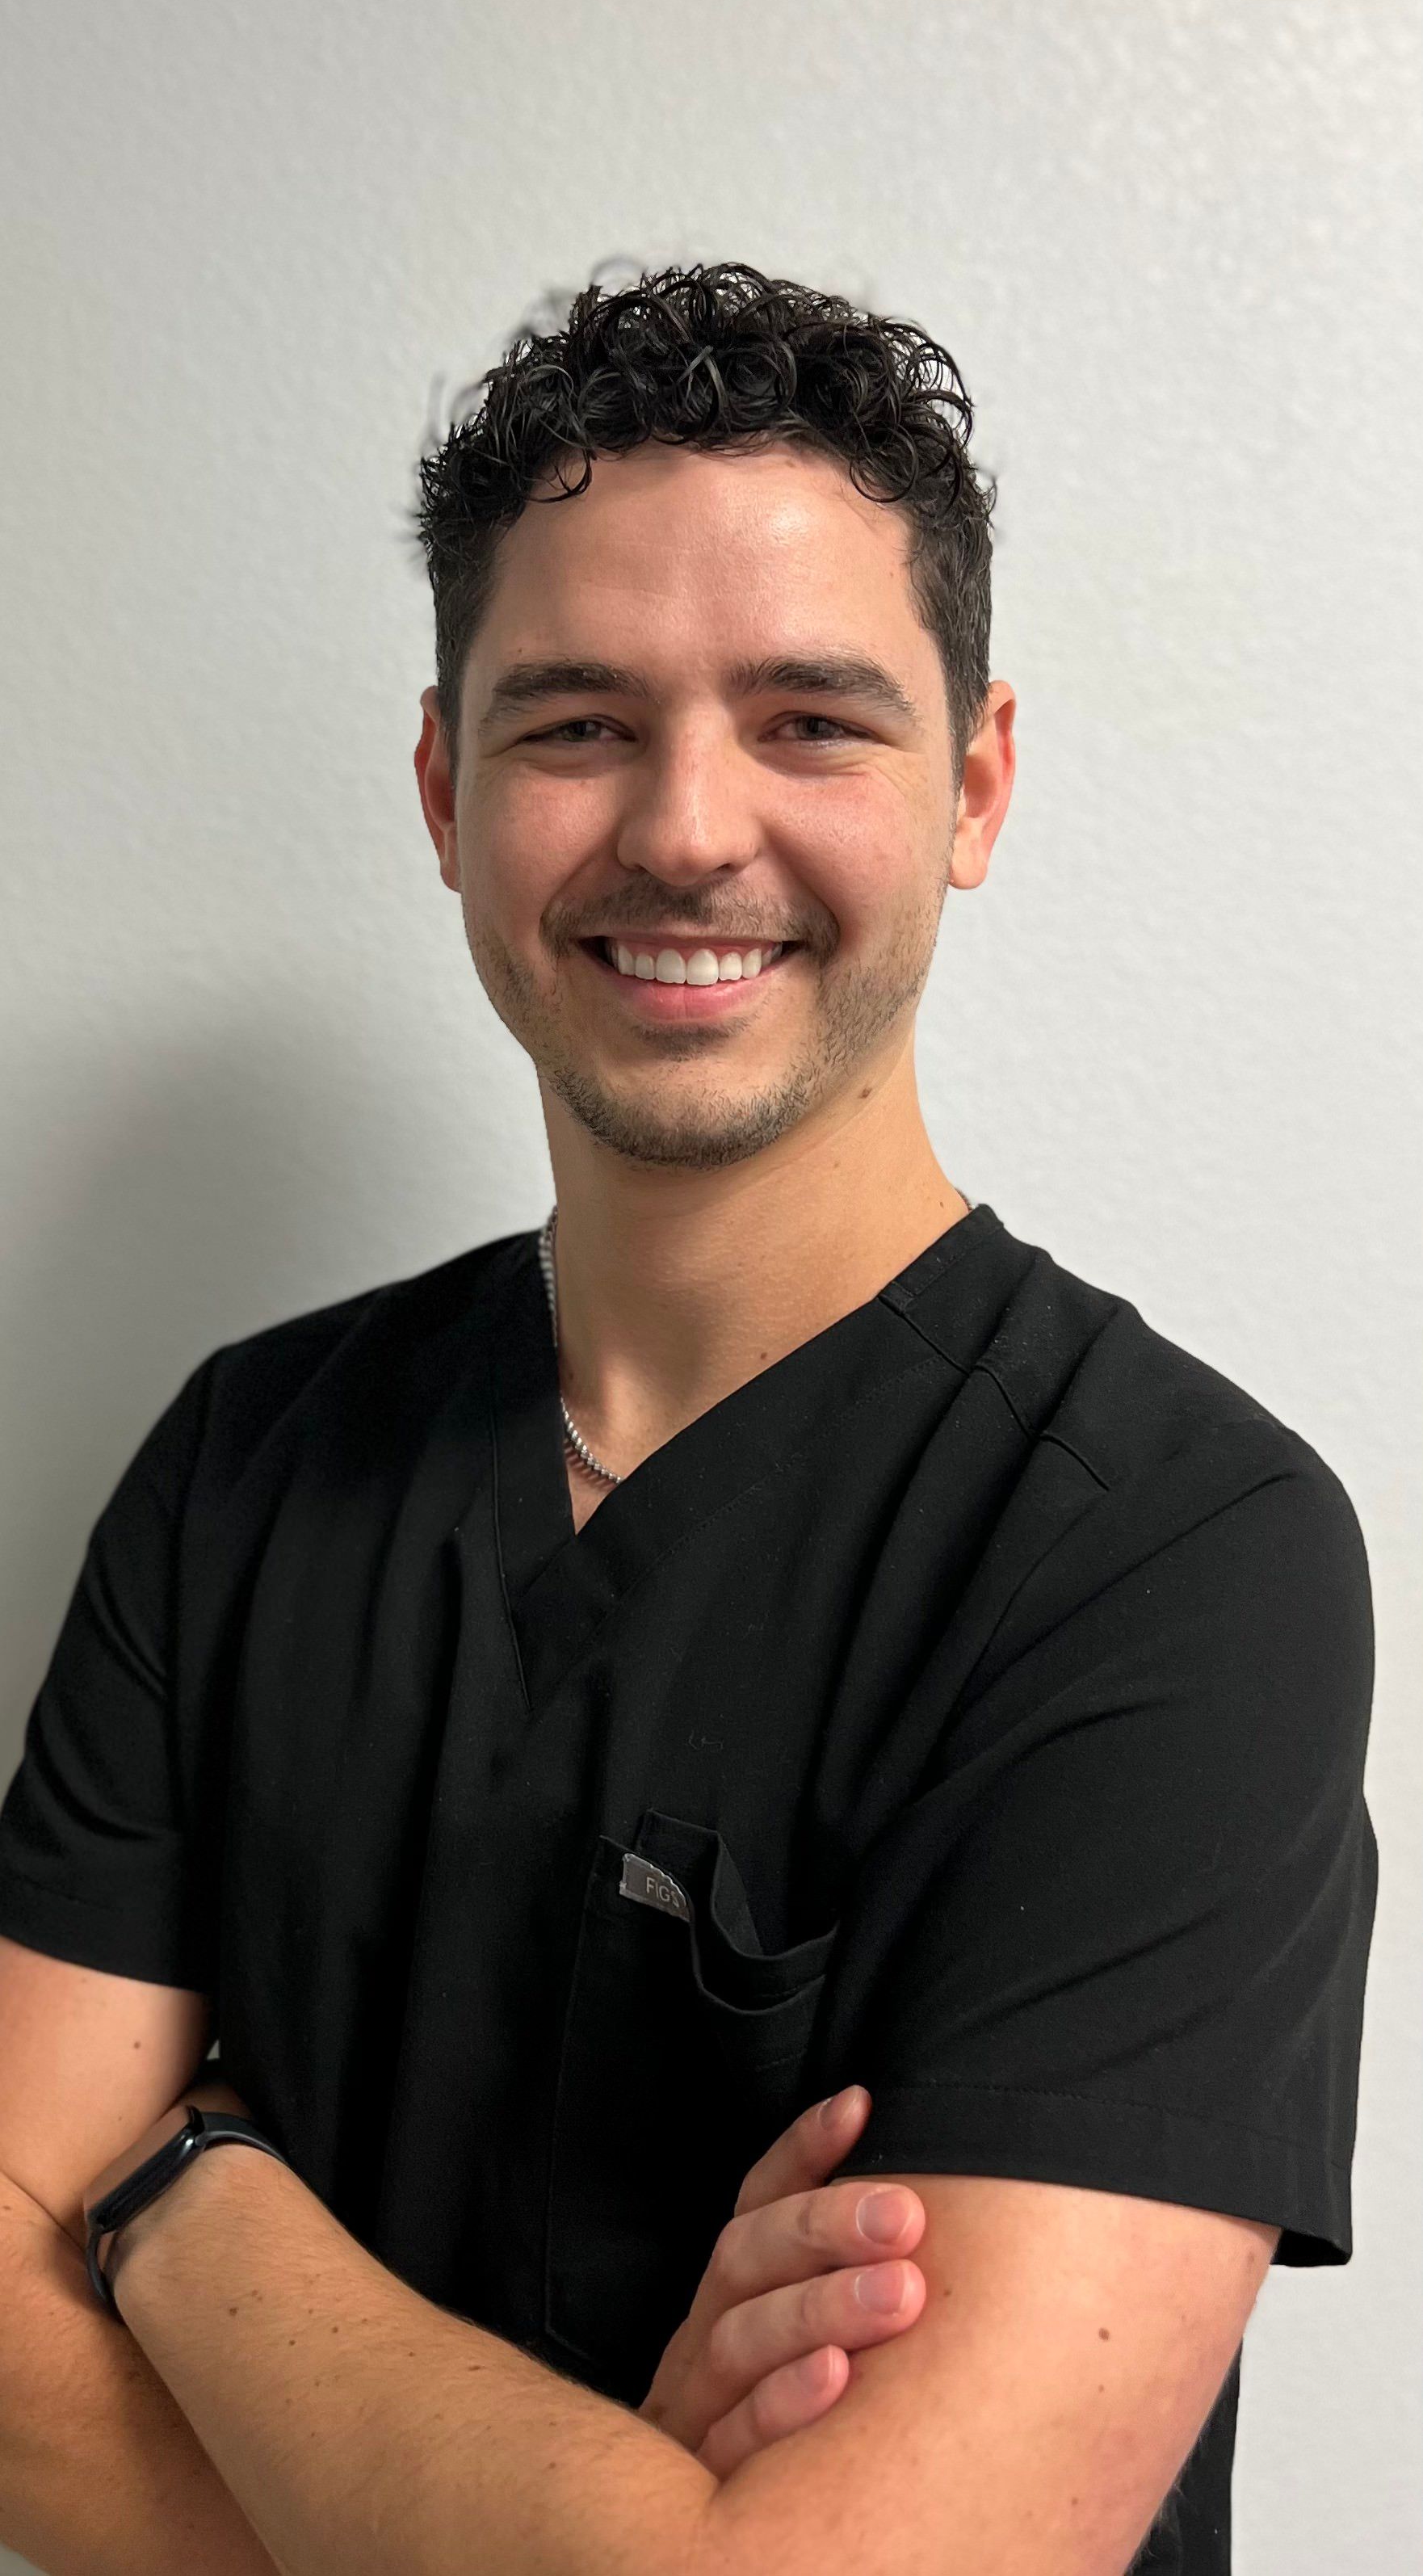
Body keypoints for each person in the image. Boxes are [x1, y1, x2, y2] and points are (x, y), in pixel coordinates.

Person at [0, 261, 1376, 2576]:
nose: (686, 827)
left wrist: (184, 2190)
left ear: (975, 785)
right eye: (575, 723)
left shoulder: (1176, 1556)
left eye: (810, 721)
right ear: (443, 792)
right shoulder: (248, 1461)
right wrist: (592, 2524)